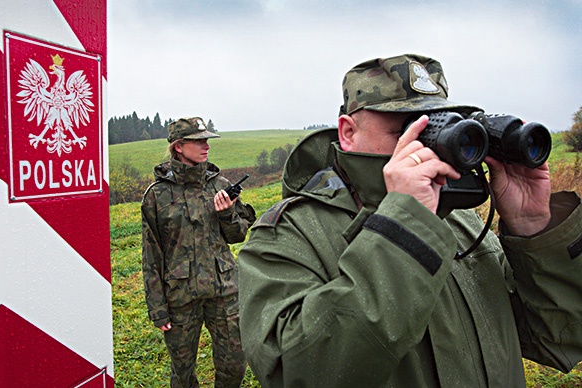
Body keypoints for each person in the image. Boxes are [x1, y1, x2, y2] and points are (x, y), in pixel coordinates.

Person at [238, 54, 582, 387]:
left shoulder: (460, 222)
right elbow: (301, 374)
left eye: (438, 126)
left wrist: (534, 229)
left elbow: (555, 339)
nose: (426, 147)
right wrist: (404, 228)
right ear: (347, 132)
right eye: (405, 129)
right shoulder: (289, 235)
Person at [141, 117, 256, 388]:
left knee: (234, 364)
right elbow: (151, 255)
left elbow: (238, 235)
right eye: (199, 141)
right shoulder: (156, 196)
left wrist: (227, 213)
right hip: (181, 297)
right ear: (179, 147)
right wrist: (158, 308)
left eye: (207, 140)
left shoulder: (220, 185)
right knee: (182, 373)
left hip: (224, 290)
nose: (207, 146)